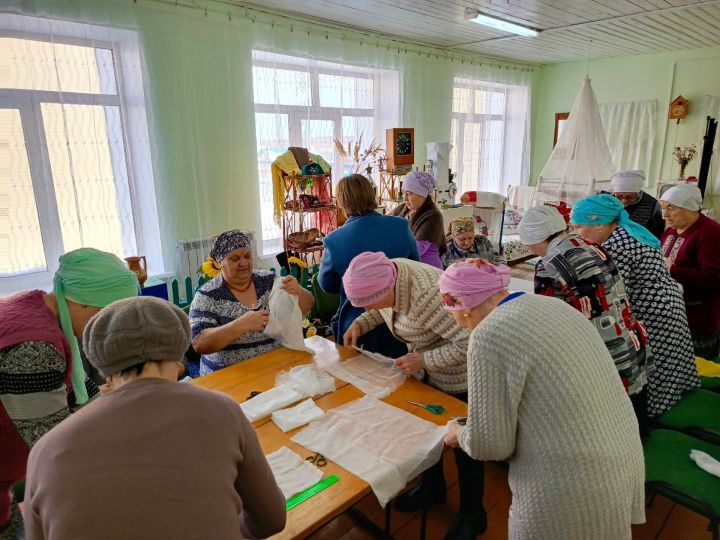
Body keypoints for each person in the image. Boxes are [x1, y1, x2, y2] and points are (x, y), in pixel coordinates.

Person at [23, 296, 286, 540]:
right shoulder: (221, 409)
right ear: (177, 351)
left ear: (101, 362)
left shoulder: (46, 449)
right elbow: (271, 520)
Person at [439, 259, 645, 540]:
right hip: (620, 456)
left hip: (570, 482)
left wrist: (459, 433)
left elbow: (490, 445)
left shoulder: (489, 334)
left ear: (463, 308)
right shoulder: (552, 306)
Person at [341, 252, 485, 540]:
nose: (366, 308)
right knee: (425, 431)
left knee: (465, 445)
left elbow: (473, 340)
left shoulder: (428, 295)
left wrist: (424, 360)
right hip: (427, 370)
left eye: (369, 303)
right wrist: (360, 324)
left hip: (461, 375)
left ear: (388, 290)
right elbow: (379, 308)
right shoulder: (387, 275)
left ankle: (473, 513)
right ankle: (432, 489)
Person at [0, 248, 139, 536]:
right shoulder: (35, 345)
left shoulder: (45, 311)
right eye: (109, 316)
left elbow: (81, 395)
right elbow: (53, 449)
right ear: (86, 303)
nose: (109, 329)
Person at [518, 205, 652, 434]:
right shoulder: (592, 247)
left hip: (603, 353)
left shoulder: (548, 264)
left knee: (610, 427)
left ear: (535, 237)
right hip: (630, 341)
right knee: (633, 420)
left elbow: (548, 317)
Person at [571, 194, 699, 417]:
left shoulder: (616, 244)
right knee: (671, 360)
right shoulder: (629, 230)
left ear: (599, 224)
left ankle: (655, 410)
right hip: (667, 303)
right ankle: (673, 397)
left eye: (579, 227)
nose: (577, 234)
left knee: (657, 362)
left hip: (654, 310)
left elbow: (615, 291)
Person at [318, 174, 419, 357]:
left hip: (356, 324)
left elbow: (327, 285)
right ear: (372, 194)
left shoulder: (334, 240)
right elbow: (415, 267)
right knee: (403, 379)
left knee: (356, 380)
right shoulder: (401, 226)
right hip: (401, 321)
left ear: (341, 202)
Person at [190, 230, 314, 375]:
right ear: (220, 263)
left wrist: (297, 291)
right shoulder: (207, 295)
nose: (243, 262)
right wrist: (241, 324)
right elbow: (199, 343)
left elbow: (308, 304)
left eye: (247, 256)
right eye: (234, 258)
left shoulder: (268, 281)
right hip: (227, 376)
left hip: (274, 367)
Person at [660, 184, 720, 358]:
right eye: (663, 208)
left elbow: (714, 278)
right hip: (674, 313)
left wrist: (674, 270)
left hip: (699, 319)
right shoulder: (672, 229)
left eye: (671, 208)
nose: (665, 214)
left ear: (690, 208)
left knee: (697, 369)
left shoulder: (710, 234)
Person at [391, 171, 446, 268]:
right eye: (403, 193)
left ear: (422, 194)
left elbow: (416, 250)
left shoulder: (433, 216)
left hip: (427, 270)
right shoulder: (401, 209)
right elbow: (385, 227)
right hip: (407, 267)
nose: (405, 199)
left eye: (409, 194)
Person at [605, 170, 665, 239]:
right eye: (619, 196)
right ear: (614, 192)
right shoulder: (606, 200)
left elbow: (657, 236)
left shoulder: (653, 206)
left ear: (638, 193)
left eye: (630, 197)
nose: (624, 201)